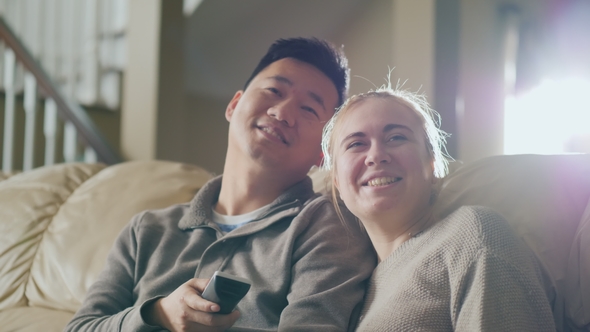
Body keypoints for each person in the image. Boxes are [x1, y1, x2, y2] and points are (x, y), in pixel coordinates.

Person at [65, 37, 376, 332]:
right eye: (273, 90)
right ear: (234, 106)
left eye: (309, 109)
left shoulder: (329, 226)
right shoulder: (146, 230)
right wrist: (159, 313)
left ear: (324, 152)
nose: (282, 113)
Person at [320, 85, 557, 331]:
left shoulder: (472, 235)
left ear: (432, 165)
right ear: (337, 180)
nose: (376, 155)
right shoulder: (347, 286)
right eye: (356, 144)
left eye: (396, 137)